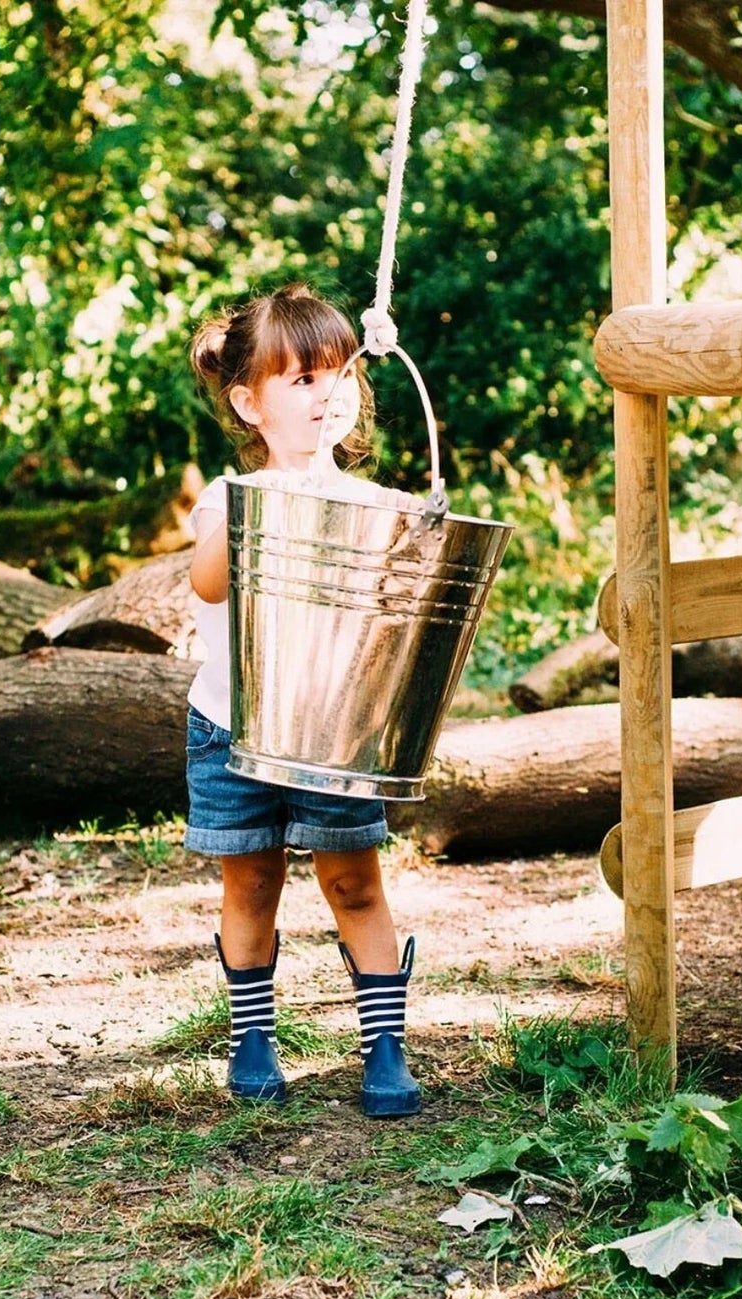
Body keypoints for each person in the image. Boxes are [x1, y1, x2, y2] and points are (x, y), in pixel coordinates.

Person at [184, 282, 420, 1119]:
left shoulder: (372, 506)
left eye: (340, 376)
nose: (328, 396)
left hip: (332, 733)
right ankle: (253, 1035)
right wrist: (251, 510)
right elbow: (207, 583)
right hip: (233, 728)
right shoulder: (228, 498)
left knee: (354, 882)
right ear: (250, 403)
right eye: (302, 381)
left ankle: (384, 1045)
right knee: (249, 886)